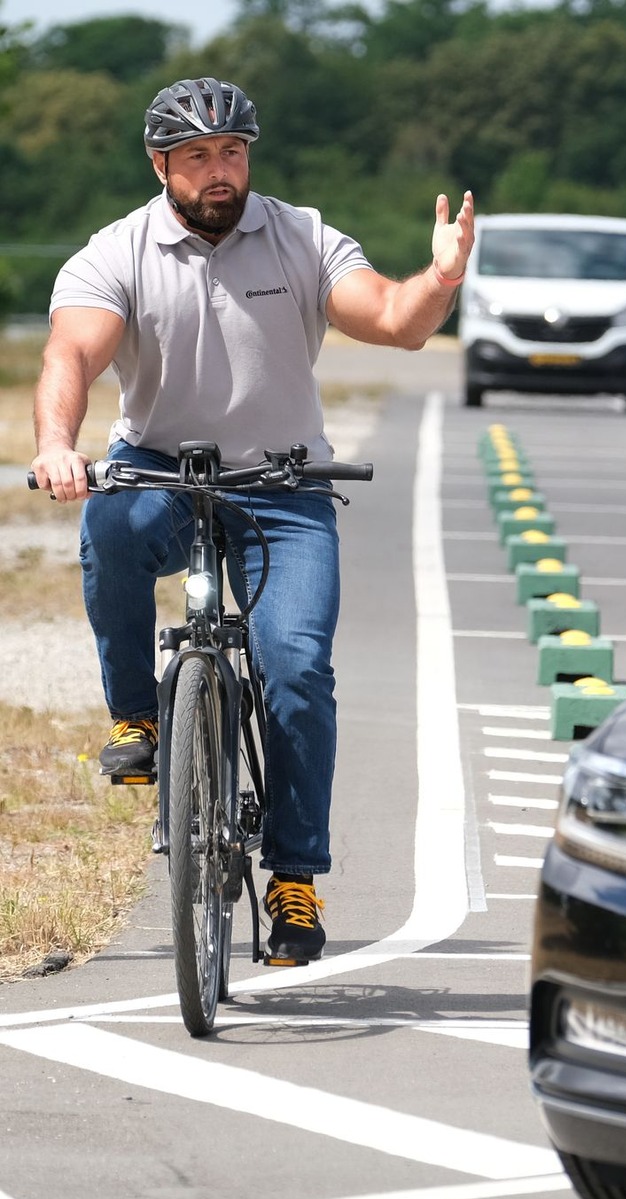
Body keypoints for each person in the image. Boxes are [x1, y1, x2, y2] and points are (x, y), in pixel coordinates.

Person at [29, 77, 475, 962]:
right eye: (197, 156)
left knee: (298, 671)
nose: (219, 170)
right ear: (161, 166)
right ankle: (136, 721)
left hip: (284, 485)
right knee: (109, 537)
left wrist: (442, 276)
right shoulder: (116, 251)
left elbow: (393, 321)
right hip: (158, 466)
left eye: (232, 151)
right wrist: (56, 444)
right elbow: (72, 350)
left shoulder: (302, 236)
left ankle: (296, 880)